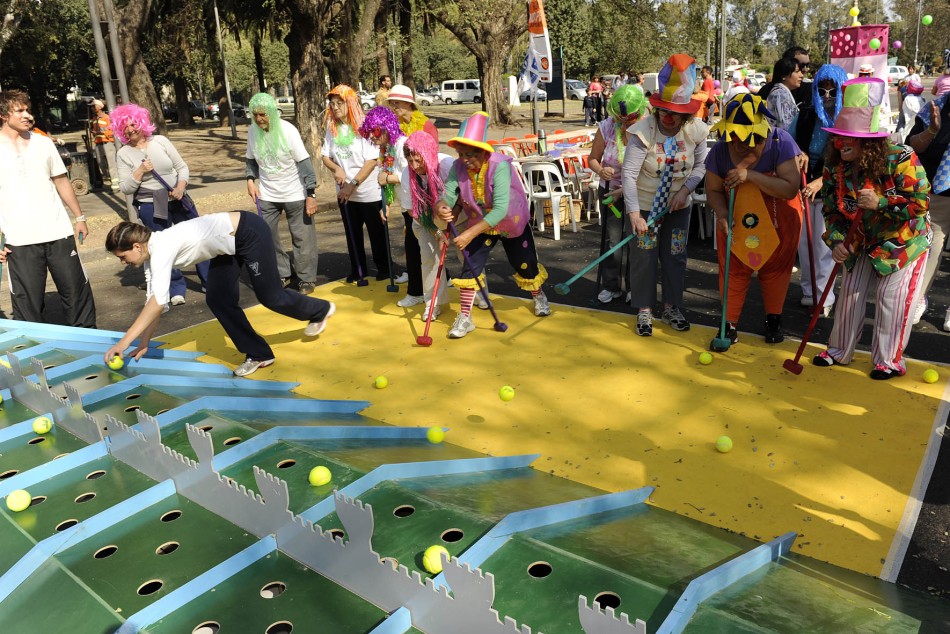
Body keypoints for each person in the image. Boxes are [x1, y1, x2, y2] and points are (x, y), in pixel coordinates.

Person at [104, 214, 335, 377]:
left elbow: (158, 303)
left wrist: (124, 343)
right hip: (226, 245)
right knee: (218, 298)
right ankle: (259, 354)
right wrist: (144, 342)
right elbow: (154, 303)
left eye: (122, 256)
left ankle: (320, 310)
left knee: (271, 296)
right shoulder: (150, 254)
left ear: (136, 246)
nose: (123, 262)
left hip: (248, 232)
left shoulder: (162, 247)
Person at [813, 77, 931, 379]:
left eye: (849, 138)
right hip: (861, 239)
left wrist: (883, 203)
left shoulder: (902, 158)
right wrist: (837, 241)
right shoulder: (834, 166)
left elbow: (920, 203)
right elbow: (831, 209)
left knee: (890, 299)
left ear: (870, 143)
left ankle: (888, 360)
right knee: (850, 294)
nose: (841, 144)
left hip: (902, 241)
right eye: (838, 137)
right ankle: (838, 351)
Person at [435, 111, 552, 338]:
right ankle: (465, 317)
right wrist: (442, 206)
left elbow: (500, 209)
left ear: (483, 152)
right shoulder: (458, 167)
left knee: (524, 264)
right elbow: (448, 194)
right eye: (461, 154)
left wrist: (468, 234)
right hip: (479, 220)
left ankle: (538, 295)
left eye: (470, 154)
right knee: (470, 265)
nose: (464, 159)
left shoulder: (499, 166)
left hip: (510, 220)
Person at [622, 54, 709, 336]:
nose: (669, 119)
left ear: (686, 114)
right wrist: (635, 214)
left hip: (678, 209)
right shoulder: (642, 132)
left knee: (675, 256)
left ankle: (672, 307)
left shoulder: (696, 130)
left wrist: (685, 190)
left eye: (676, 114)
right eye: (664, 112)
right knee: (644, 258)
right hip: (646, 207)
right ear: (657, 108)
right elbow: (628, 174)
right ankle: (644, 310)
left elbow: (701, 166)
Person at [706, 94, 802, 345]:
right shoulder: (719, 151)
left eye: (747, 139)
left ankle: (774, 319)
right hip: (736, 219)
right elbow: (713, 189)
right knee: (733, 271)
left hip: (780, 220)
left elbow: (790, 188)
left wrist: (750, 176)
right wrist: (722, 213)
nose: (740, 146)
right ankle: (728, 324)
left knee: (776, 270)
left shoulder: (781, 142)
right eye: (734, 139)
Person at [0, 89, 96, 327]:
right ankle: (33, 345)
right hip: (19, 240)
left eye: (28, 110)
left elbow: (61, 181)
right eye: (20, 111)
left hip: (58, 232)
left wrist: (79, 217)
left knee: (76, 294)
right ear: (3, 115)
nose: (27, 115)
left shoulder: (43, 143)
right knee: (27, 305)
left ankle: (87, 339)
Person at [114, 103, 208, 307]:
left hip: (177, 197)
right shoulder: (123, 154)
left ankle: (209, 281)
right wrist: (139, 171)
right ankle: (175, 288)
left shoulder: (161, 141)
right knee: (163, 247)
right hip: (150, 203)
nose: (130, 129)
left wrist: (181, 187)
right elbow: (126, 188)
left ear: (141, 123)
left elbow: (181, 167)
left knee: (198, 238)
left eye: (133, 124)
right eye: (124, 127)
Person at [246, 93, 319, 295]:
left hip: (295, 193)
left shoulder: (288, 130)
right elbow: (250, 160)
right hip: (268, 194)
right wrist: (250, 180)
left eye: (263, 114)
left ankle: (306, 278)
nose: (259, 119)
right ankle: (283, 272)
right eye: (255, 114)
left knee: (302, 238)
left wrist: (311, 195)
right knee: (266, 235)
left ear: (271, 112)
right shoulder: (252, 131)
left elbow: (304, 163)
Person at [320, 85, 389, 283]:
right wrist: (336, 169)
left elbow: (371, 161)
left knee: (377, 234)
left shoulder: (364, 127)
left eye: (339, 103)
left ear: (349, 103)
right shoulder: (332, 128)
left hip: (368, 192)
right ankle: (358, 270)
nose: (334, 107)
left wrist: (353, 184)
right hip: (345, 194)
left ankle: (384, 270)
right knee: (353, 235)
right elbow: (325, 156)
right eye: (332, 104)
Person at [588, 84, 648, 305]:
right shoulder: (606, 127)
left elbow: (650, 168)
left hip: (638, 190)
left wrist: (624, 190)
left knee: (636, 239)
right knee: (612, 240)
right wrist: (600, 170)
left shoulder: (648, 127)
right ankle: (611, 286)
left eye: (629, 119)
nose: (624, 124)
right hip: (610, 190)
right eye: (621, 119)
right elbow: (593, 159)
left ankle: (635, 287)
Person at [797, 64, 848, 314]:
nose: (827, 96)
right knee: (804, 244)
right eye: (822, 90)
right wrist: (799, 153)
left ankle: (824, 297)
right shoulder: (806, 114)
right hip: (803, 186)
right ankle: (810, 292)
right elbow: (790, 141)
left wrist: (822, 180)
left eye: (833, 91)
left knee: (824, 245)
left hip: (832, 189)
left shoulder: (848, 117)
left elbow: (848, 158)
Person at [357, 106, 414, 298]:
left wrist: (387, 178)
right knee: (413, 248)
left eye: (374, 132)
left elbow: (409, 175)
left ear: (385, 127)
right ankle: (418, 285)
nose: (371, 138)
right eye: (369, 133)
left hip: (415, 206)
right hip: (406, 206)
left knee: (416, 249)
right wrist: (386, 205)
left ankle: (419, 289)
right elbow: (389, 179)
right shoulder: (387, 148)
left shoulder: (402, 145)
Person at [399, 131, 455, 321]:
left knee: (466, 252)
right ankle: (432, 304)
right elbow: (412, 211)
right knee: (430, 259)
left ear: (428, 154)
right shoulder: (407, 174)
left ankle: (477, 295)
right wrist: (438, 232)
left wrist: (449, 224)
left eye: (418, 160)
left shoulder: (447, 165)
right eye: (410, 161)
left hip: (455, 213)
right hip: (424, 220)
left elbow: (462, 196)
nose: (414, 166)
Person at [906, 91, 950, 332]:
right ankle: (917, 298)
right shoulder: (936, 107)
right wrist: (932, 130)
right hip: (936, 193)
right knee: (931, 248)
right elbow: (911, 145)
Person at [764, 57, 804, 132]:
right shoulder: (780, 94)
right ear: (783, 75)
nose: (801, 75)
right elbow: (785, 128)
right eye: (797, 71)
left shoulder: (781, 92)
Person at [90, 98, 114, 186]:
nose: (92, 108)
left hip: (107, 143)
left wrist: (100, 132)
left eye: (94, 106)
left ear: (99, 107)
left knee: (111, 163)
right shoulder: (94, 119)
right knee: (101, 163)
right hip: (98, 144)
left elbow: (112, 132)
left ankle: (115, 182)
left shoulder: (107, 118)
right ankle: (106, 182)